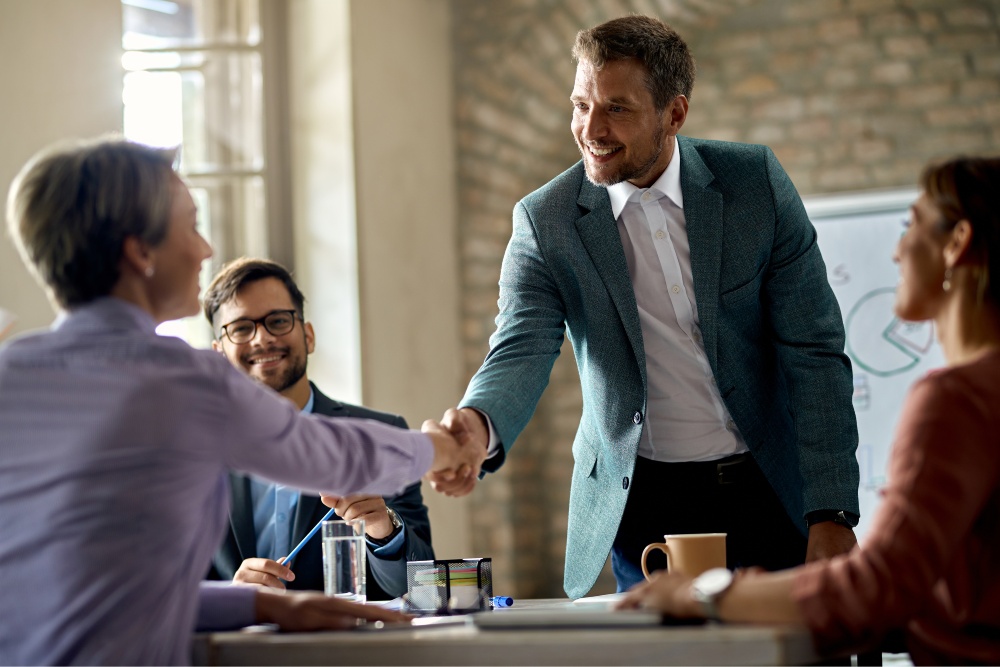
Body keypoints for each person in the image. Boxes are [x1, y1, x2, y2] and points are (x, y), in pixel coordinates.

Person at [0, 136, 475, 665]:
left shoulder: (8, 372)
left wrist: (261, 605)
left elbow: (94, 599)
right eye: (190, 224)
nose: (204, 249)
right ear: (139, 252)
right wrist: (440, 448)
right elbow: (329, 454)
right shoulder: (180, 377)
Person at [433, 15, 860, 599]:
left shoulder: (753, 184)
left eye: (617, 108)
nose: (591, 128)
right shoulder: (546, 220)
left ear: (675, 114)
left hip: (769, 484)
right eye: (580, 104)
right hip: (644, 505)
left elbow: (814, 352)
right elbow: (521, 346)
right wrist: (476, 427)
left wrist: (832, 511)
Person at [618, 156, 1000, 665]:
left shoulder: (956, 401)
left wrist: (699, 594)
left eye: (913, 226)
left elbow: (880, 586)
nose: (898, 250)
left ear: (957, 244)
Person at [202, 257, 434, 598]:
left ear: (308, 336)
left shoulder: (383, 434)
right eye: (241, 328)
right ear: (219, 354)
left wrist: (382, 528)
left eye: (278, 321)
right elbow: (167, 589)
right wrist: (229, 598)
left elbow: (422, 586)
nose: (262, 339)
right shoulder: (194, 453)